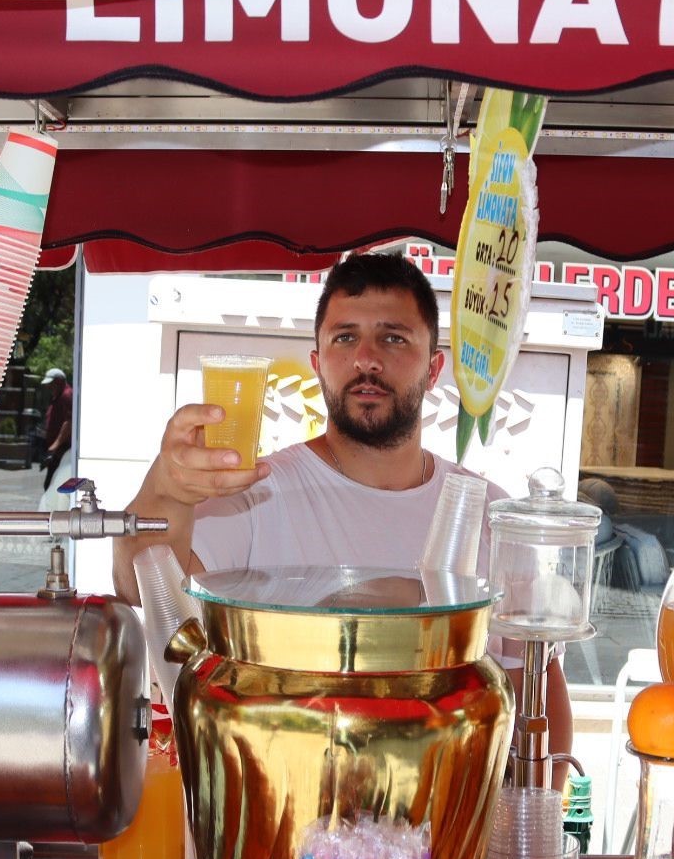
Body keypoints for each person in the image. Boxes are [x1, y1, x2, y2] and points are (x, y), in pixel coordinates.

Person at [113, 253, 573, 774]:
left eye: (394, 338)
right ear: (318, 363)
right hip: (283, 823)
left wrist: (531, 823)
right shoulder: (257, 491)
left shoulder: (487, 510)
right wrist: (167, 487)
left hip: (439, 835)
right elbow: (137, 584)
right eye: (345, 338)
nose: (367, 360)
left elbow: (537, 692)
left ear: (434, 365)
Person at [41, 367, 74, 489]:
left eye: (51, 384)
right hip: (57, 449)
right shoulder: (59, 396)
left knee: (51, 484)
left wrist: (55, 446)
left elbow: (69, 422)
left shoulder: (66, 395)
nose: (49, 387)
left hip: (61, 449)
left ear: (59, 382)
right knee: (50, 483)